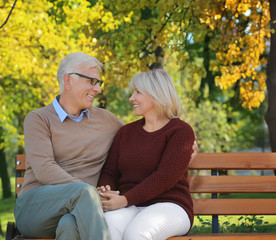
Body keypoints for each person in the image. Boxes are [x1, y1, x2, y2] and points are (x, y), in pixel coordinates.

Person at [14, 52, 198, 240]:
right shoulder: (39, 119)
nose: (98, 89)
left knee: (70, 225)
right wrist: (90, 193)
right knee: (84, 197)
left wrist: (182, 153)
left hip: (81, 210)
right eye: (92, 81)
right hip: (38, 205)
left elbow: (143, 140)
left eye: (98, 83)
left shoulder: (107, 121)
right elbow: (44, 169)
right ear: (68, 81)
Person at [97, 69, 195, 240]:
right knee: (107, 227)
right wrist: (107, 191)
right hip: (131, 205)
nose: (131, 98)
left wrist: (125, 200)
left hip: (170, 205)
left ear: (157, 94)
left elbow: (164, 177)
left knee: (137, 234)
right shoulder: (125, 132)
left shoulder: (180, 131)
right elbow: (110, 172)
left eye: (138, 92)